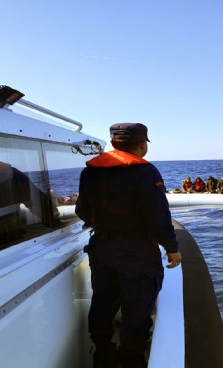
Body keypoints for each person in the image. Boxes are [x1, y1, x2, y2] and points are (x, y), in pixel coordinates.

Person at [75, 123, 182, 368]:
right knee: (137, 307)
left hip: (101, 247)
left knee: (103, 300)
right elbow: (158, 216)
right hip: (137, 252)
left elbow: (82, 210)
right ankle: (131, 359)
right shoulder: (145, 172)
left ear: (113, 144)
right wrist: (172, 248)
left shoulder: (90, 171)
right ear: (143, 145)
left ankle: (102, 353)